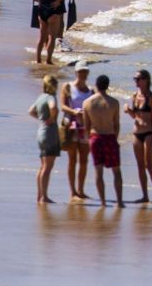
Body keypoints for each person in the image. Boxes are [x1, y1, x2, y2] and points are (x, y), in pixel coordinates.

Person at [83, 74, 123, 208]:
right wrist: (115, 139)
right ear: (108, 85)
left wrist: (88, 139)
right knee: (116, 171)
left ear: (96, 85)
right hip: (109, 136)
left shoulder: (87, 103)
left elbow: (87, 126)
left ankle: (103, 202)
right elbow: (117, 124)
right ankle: (119, 201)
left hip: (95, 138)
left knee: (98, 172)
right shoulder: (114, 102)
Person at [125, 69, 152, 204]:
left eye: (138, 79)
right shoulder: (135, 95)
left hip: (148, 133)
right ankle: (145, 195)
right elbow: (135, 115)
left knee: (149, 165)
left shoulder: (151, 97)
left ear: (146, 80)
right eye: (135, 79)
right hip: (137, 133)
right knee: (140, 166)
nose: (136, 81)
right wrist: (128, 111)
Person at [60, 62, 92, 200]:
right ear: (76, 73)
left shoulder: (91, 90)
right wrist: (74, 111)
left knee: (84, 160)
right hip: (72, 127)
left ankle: (81, 190)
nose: (83, 74)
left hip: (85, 128)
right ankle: (73, 191)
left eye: (85, 71)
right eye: (81, 71)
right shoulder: (68, 87)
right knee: (72, 159)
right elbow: (62, 106)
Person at [24, 0, 67, 65]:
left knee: (42, 36)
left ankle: (38, 59)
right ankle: (48, 60)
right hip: (54, 13)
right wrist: (58, 0)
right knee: (52, 37)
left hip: (42, 11)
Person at [29, 74, 61, 203]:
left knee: (42, 166)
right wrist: (52, 118)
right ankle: (44, 196)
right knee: (47, 167)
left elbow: (31, 111)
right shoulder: (50, 97)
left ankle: (40, 195)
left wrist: (41, 119)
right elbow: (53, 107)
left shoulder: (40, 97)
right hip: (49, 133)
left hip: (40, 132)